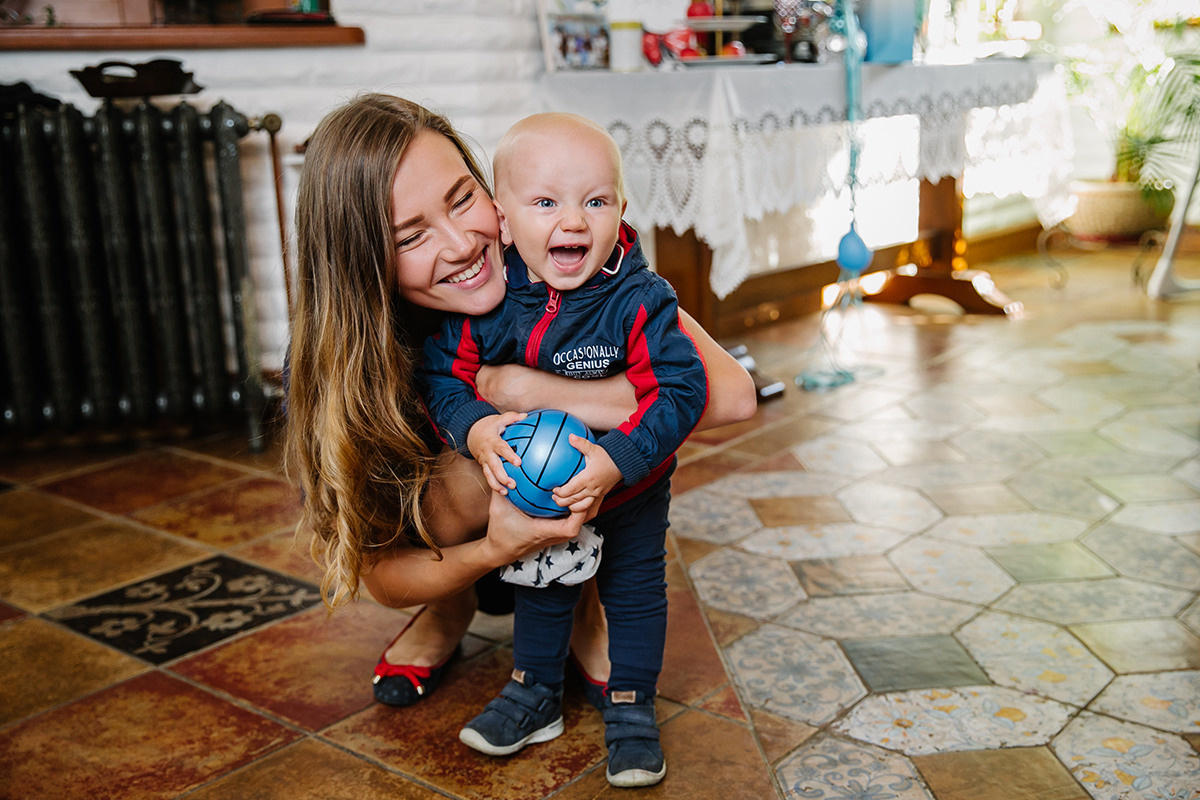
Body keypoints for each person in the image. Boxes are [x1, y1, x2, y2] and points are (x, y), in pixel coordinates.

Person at [282, 94, 756, 734]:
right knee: (473, 476)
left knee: (555, 448)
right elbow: (382, 575)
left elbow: (730, 395)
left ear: (496, 198)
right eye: (411, 236)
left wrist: (526, 390)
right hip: (466, 524)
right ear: (362, 261)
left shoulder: (586, 270)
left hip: (580, 495)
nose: (461, 245)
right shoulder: (343, 359)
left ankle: (586, 599)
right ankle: (451, 608)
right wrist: (492, 551)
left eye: (461, 200)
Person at [421, 113, 704, 787]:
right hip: (535, 487)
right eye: (546, 202)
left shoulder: (640, 299)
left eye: (595, 202)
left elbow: (682, 391)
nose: (572, 221)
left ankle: (633, 710)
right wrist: (477, 428)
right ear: (503, 218)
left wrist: (618, 462)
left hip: (630, 488)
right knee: (540, 586)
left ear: (621, 212)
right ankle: (534, 692)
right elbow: (443, 380)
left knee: (634, 594)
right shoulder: (489, 301)